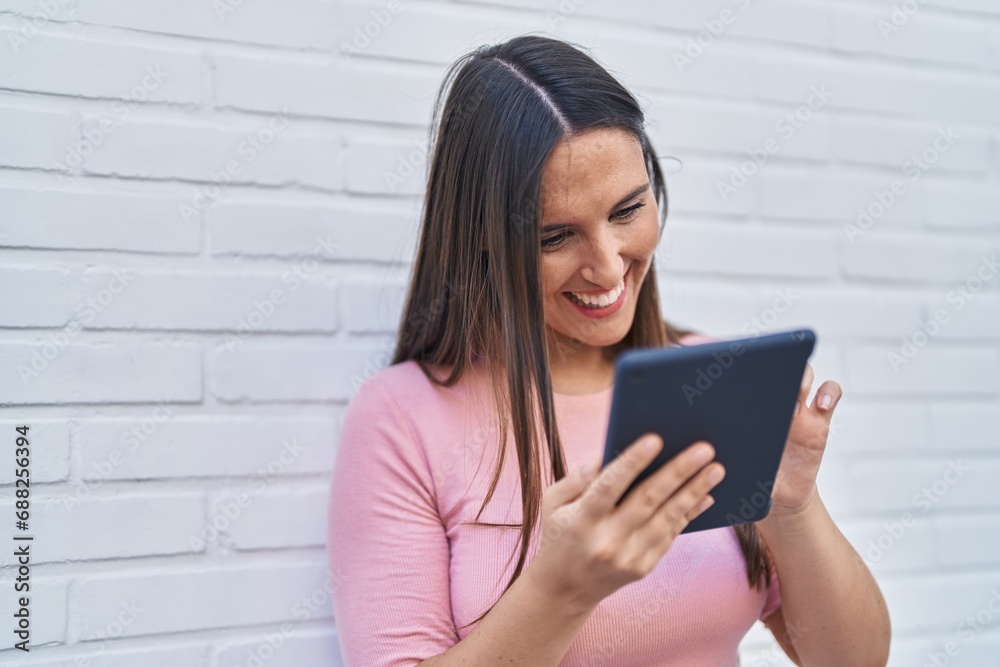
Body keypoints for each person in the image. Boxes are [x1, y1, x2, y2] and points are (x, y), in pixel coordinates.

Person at [326, 34, 891, 667]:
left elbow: (854, 661)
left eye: (627, 210)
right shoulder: (403, 416)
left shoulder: (710, 377)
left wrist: (791, 505)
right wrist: (561, 590)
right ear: (483, 239)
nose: (606, 266)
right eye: (557, 235)